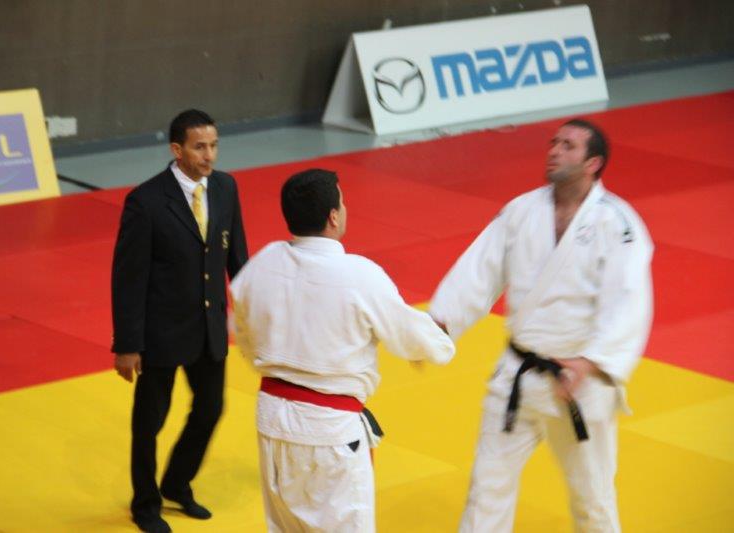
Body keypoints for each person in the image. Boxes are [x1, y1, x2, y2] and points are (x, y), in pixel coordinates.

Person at [429, 119, 653, 533]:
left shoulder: (617, 224)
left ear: (593, 163)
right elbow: (479, 270)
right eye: (554, 143)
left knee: (593, 501)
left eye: (568, 146)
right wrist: (440, 323)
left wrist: (590, 362)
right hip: (518, 374)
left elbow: (628, 301)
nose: (554, 151)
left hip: (579, 383)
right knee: (485, 491)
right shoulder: (521, 211)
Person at [229, 168, 455, 532]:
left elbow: (243, 328)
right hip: (329, 430)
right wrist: (439, 343)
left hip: (271, 419)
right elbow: (409, 334)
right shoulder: (359, 275)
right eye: (343, 202)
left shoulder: (264, 263)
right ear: (333, 216)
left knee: (286, 527)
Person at [111, 109, 248, 533]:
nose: (210, 155)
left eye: (214, 145)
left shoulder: (225, 187)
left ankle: (176, 482)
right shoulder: (146, 202)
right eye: (199, 147)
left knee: (211, 409)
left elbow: (237, 257)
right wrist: (127, 344)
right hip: (161, 333)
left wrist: (256, 313)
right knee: (149, 423)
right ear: (177, 149)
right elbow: (128, 279)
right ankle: (145, 503)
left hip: (209, 328)